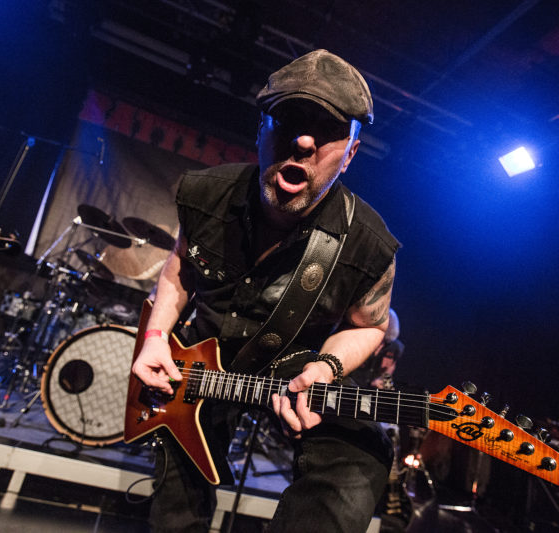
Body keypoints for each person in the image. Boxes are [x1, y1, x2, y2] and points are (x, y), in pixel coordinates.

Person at [132, 49, 400, 532]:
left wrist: (324, 368)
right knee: (176, 509)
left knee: (361, 452)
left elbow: (371, 326)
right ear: (261, 130)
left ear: (351, 155)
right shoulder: (205, 193)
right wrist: (155, 338)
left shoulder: (369, 245)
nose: (303, 140)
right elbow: (180, 268)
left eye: (327, 130)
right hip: (198, 362)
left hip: (295, 369)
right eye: (289, 120)